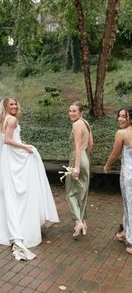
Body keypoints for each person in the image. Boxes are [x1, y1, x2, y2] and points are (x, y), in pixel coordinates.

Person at [0, 97, 59, 260]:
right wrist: (26, 147)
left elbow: (9, 139)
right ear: (5, 106)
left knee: (11, 192)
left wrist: (20, 142)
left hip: (8, 156)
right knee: (20, 191)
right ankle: (21, 227)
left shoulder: (4, 119)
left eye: (15, 103)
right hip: (12, 157)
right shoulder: (11, 120)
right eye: (11, 104)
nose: (14, 106)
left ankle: (8, 225)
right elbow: (7, 140)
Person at [104, 107, 132, 254]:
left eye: (124, 116)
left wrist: (107, 165)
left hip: (129, 177)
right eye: (119, 116)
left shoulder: (122, 133)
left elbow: (115, 154)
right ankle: (125, 232)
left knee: (130, 206)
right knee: (128, 206)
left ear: (131, 118)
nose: (120, 119)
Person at [66, 101, 93, 237]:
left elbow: (77, 146)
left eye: (74, 111)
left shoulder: (76, 124)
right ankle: (83, 221)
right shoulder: (86, 123)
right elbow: (90, 144)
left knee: (71, 192)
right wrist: (85, 160)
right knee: (82, 193)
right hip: (85, 159)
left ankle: (78, 221)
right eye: (70, 111)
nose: (71, 113)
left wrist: (76, 167)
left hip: (76, 159)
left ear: (80, 112)